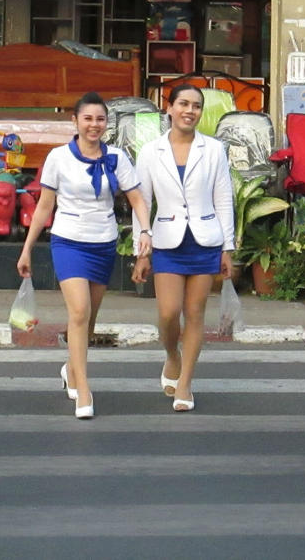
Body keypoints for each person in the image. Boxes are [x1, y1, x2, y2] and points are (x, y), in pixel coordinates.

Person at [17, 92, 153, 419]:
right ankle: (84, 389)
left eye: (100, 119)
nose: (94, 125)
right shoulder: (58, 158)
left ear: (107, 123)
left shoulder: (117, 158)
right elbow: (45, 207)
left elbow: (137, 199)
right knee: (78, 312)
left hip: (103, 243)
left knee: (88, 320)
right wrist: (27, 249)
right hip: (68, 241)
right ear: (75, 121)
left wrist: (145, 232)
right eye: (88, 118)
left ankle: (70, 368)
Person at [131, 84, 234, 412]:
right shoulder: (150, 151)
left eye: (196, 106)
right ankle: (172, 355)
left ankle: (185, 384)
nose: (190, 111)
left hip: (206, 240)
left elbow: (223, 197)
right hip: (166, 241)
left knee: (194, 314)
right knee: (167, 312)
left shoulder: (214, 149)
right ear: (170, 108)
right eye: (183, 104)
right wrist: (142, 250)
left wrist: (227, 247)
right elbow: (141, 202)